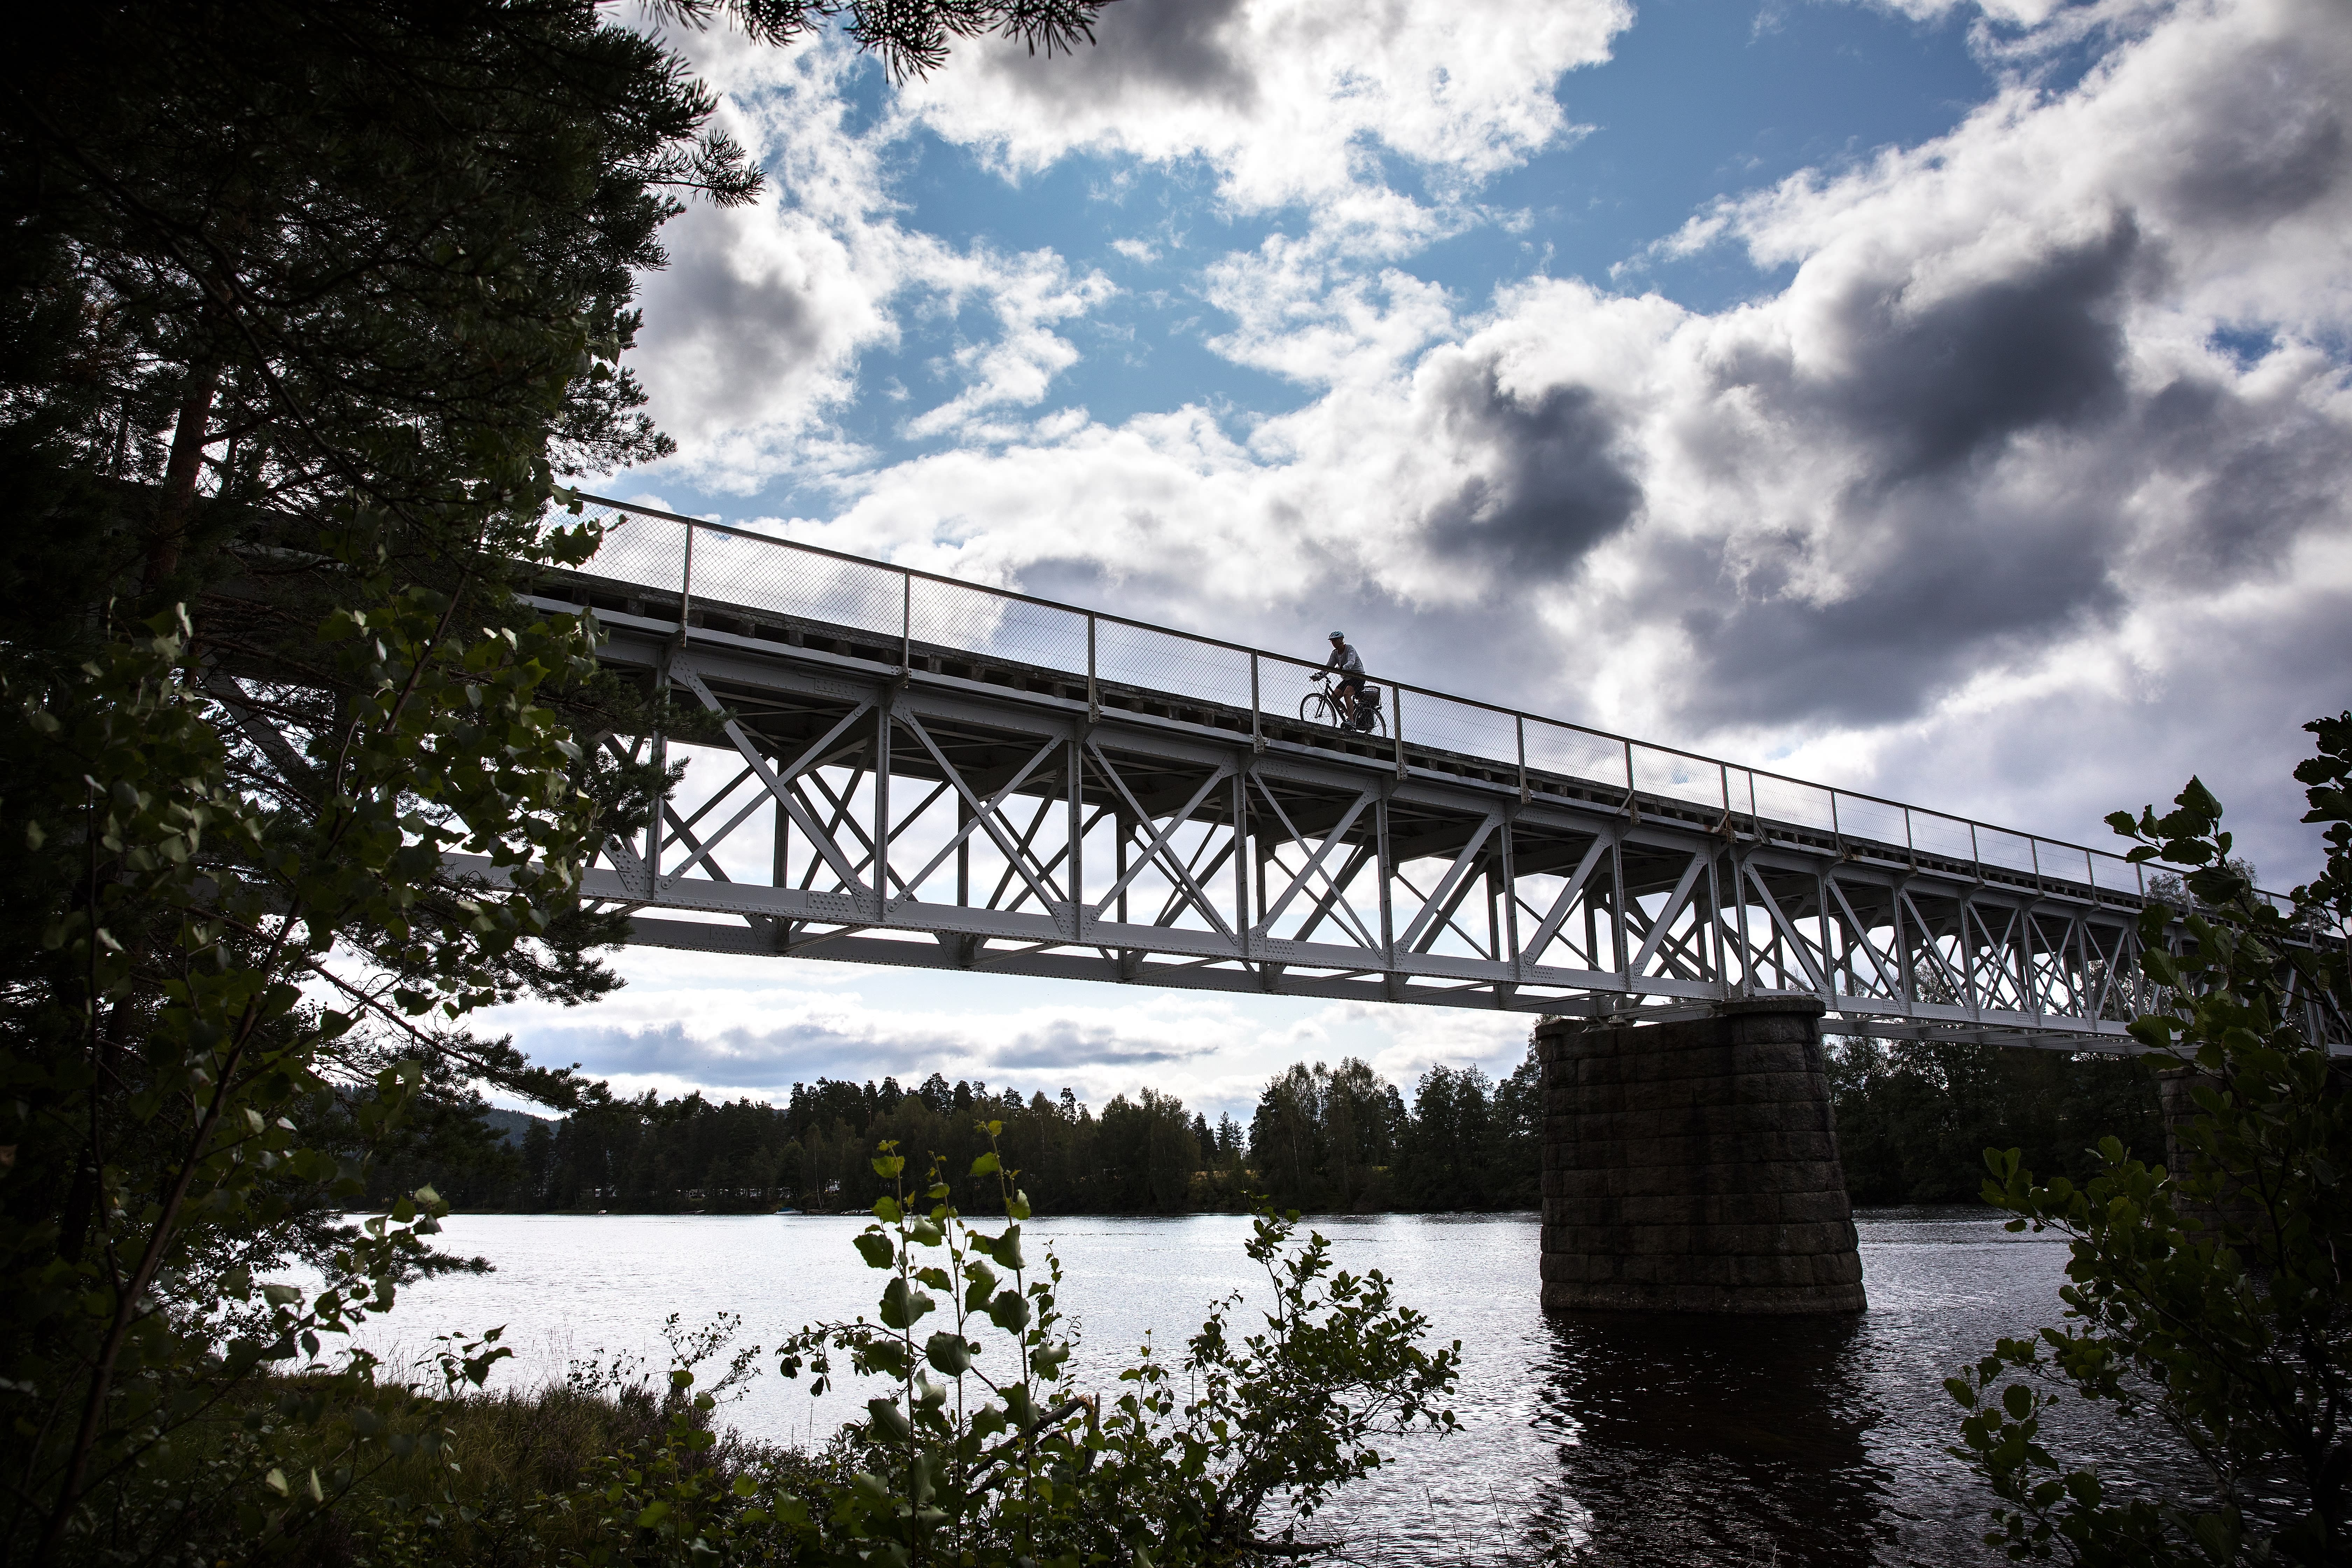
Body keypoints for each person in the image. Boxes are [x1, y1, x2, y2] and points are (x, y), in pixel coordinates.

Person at [1320, 631, 1369, 729]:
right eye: (1332, 641)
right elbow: (1329, 666)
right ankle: (1348, 713)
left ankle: (1352, 721)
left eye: (1335, 641)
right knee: (1334, 698)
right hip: (1347, 679)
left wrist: (1343, 668)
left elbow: (1351, 662)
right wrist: (1320, 675)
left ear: (1341, 640)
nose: (1333, 643)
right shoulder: (1335, 654)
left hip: (1358, 677)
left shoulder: (1350, 649)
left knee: (1347, 694)